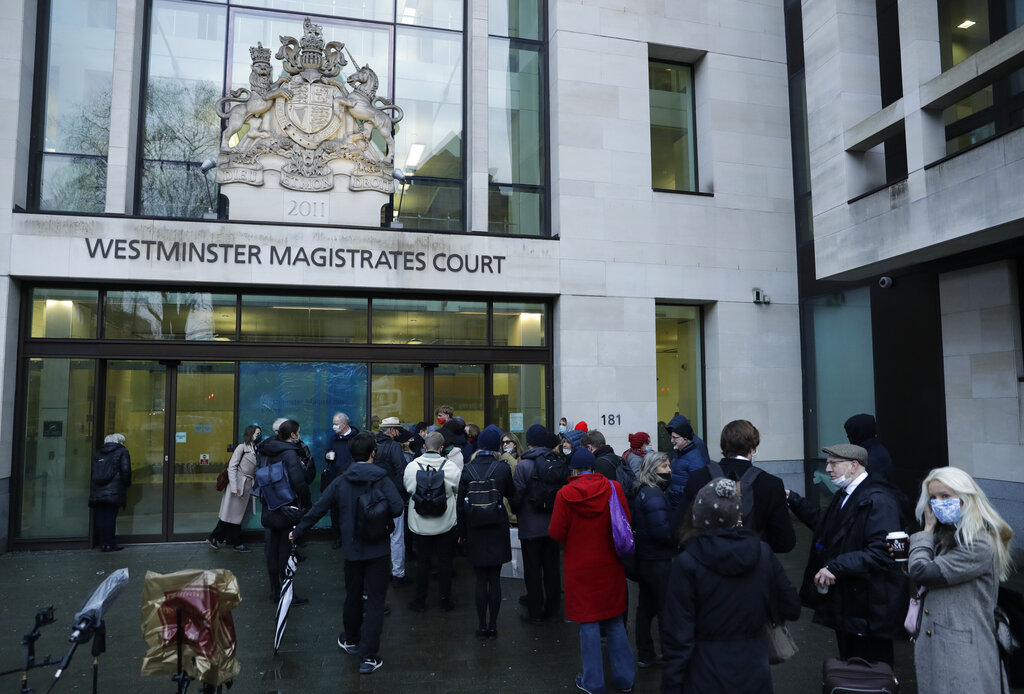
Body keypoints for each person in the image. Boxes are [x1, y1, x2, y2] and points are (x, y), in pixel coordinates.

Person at [661, 478, 800, 693]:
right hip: (754, 667)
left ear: (697, 516)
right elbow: (791, 606)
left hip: (705, 670)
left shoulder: (687, 562)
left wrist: (672, 684)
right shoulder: (762, 553)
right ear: (737, 516)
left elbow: (678, 635)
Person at [289, 431, 404, 675]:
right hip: (378, 549)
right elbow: (397, 507)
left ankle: (351, 640)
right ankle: (369, 657)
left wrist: (298, 531)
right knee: (375, 601)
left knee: (353, 595)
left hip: (352, 550)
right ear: (374, 452)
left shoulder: (341, 480)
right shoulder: (382, 478)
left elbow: (319, 508)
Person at [786, 443, 908, 665]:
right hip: (851, 605)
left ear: (853, 466)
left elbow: (882, 553)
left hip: (869, 609)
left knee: (870, 671)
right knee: (852, 669)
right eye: (827, 464)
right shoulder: (847, 494)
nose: (828, 469)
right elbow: (826, 527)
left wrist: (836, 566)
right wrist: (793, 499)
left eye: (834, 464)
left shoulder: (878, 499)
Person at [908, 466, 1014, 694]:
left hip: (963, 652)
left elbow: (922, 572)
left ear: (966, 498)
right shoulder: (949, 536)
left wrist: (926, 530)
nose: (938, 503)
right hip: (942, 645)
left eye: (945, 496)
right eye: (933, 498)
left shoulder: (979, 543)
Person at [549, 448, 635, 694]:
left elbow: (556, 532)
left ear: (573, 470)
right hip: (610, 564)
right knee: (615, 619)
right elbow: (626, 520)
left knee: (588, 624)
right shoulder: (614, 488)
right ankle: (625, 679)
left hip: (580, 567)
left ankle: (593, 682)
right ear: (594, 469)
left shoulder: (565, 494)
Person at [681, 420, 795, 554]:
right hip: (752, 562)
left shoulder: (698, 477)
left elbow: (680, 529)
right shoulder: (771, 484)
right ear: (752, 448)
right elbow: (785, 542)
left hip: (706, 561)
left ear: (723, 446)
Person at [457, 425, 514, 638]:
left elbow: (460, 506)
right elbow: (511, 494)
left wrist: (461, 533)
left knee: (480, 580)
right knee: (495, 579)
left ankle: (482, 625)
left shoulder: (467, 469)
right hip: (497, 528)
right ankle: (494, 625)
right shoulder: (502, 469)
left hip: (475, 529)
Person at [404, 430, 462, 612]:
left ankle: (419, 601)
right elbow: (457, 491)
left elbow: (408, 489)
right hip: (445, 522)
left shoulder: (412, 467)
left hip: (420, 524)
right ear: (442, 448)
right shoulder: (451, 467)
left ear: (424, 446)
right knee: (445, 563)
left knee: (423, 563)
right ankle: (445, 601)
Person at [629, 451, 677, 669]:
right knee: (666, 610)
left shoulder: (643, 491)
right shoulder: (654, 494)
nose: (669, 470)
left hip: (646, 559)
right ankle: (670, 656)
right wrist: (678, 538)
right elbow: (662, 532)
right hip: (658, 560)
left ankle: (646, 653)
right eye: (665, 466)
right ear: (653, 469)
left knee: (646, 608)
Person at [512, 424, 563, 624]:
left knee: (532, 571)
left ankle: (535, 611)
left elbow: (516, 495)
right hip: (552, 525)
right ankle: (553, 609)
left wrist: (517, 511)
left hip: (530, 526)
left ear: (529, 442)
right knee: (551, 568)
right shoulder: (556, 461)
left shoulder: (524, 465)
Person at [259, 419, 314, 602]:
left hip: (270, 504)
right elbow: (299, 482)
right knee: (284, 550)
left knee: (271, 551)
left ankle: (275, 590)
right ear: (292, 434)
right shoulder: (289, 453)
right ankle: (286, 593)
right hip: (287, 507)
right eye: (298, 431)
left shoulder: (267, 447)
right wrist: (306, 505)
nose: (299, 434)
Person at [208, 424, 260, 552]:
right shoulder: (241, 448)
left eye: (259, 433)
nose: (259, 435)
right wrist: (234, 487)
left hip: (247, 485)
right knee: (234, 515)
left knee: (234, 515)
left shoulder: (255, 449)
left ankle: (217, 538)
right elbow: (232, 467)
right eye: (257, 433)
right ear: (250, 434)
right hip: (238, 485)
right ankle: (233, 541)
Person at [375, 416, 409, 581]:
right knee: (396, 536)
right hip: (393, 495)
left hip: (375, 495)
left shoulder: (373, 444)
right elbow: (401, 470)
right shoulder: (394, 446)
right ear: (392, 430)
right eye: (398, 429)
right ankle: (397, 573)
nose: (399, 432)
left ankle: (379, 571)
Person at [89, 433, 132, 552]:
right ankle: (110, 544)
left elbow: (93, 472)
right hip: (114, 490)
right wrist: (126, 483)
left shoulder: (98, 453)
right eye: (122, 441)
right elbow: (125, 470)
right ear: (119, 442)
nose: (123, 444)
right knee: (110, 518)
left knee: (102, 517)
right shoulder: (122, 452)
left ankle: (103, 543)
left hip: (98, 490)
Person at [323, 412, 359, 548]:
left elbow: (357, 458)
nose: (334, 427)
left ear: (344, 424)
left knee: (351, 508)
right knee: (335, 509)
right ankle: (337, 537)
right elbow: (329, 451)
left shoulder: (355, 438)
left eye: (336, 424)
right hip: (334, 478)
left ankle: (352, 536)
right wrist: (327, 456)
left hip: (351, 478)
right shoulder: (334, 438)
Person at [664, 416, 706, 506]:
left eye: (675, 438)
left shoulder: (695, 458)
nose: (671, 441)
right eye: (671, 437)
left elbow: (698, 485)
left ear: (685, 439)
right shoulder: (678, 453)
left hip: (685, 506)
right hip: (676, 503)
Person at [844, 413, 894, 481]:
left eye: (850, 435)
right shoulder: (873, 449)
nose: (848, 438)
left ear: (857, 434)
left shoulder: (871, 458)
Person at [499, 431, 523, 525]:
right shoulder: (499, 458)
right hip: (505, 505)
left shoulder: (522, 457)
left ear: (515, 444)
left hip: (517, 504)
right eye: (503, 442)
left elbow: (516, 473)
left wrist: (507, 457)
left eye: (508, 442)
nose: (505, 445)